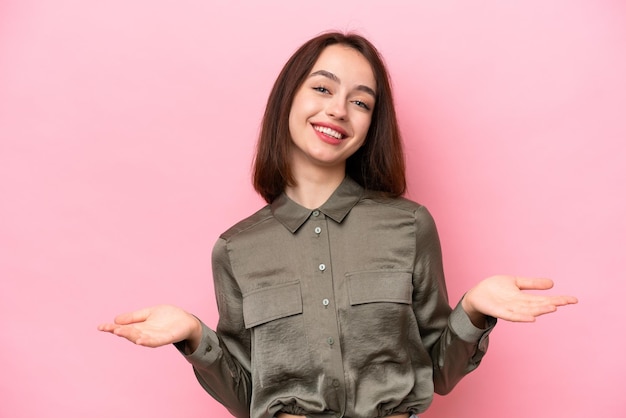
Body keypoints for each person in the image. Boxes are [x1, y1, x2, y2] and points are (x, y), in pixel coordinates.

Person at [98, 32, 577, 418]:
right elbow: (246, 398)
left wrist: (472, 310)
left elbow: (439, 372)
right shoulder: (236, 249)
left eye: (361, 102)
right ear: (289, 97)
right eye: (323, 88)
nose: (338, 110)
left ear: (371, 124)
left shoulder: (409, 225)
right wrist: (194, 336)